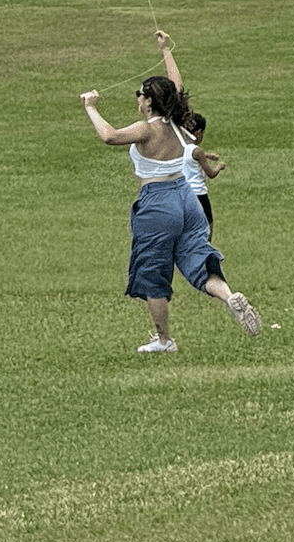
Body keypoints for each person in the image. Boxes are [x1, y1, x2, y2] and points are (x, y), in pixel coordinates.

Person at [79, 70, 260, 353]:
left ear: (149, 101)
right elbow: (176, 85)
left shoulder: (147, 128)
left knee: (153, 271)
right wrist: (165, 50)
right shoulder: (179, 126)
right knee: (196, 257)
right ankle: (229, 296)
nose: (137, 98)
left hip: (157, 203)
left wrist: (90, 107)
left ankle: (164, 341)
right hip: (187, 199)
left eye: (139, 94)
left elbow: (109, 136)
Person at [155, 31, 223, 238]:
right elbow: (177, 87)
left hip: (167, 196)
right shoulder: (185, 139)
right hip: (195, 197)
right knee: (204, 243)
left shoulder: (166, 131)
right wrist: (165, 49)